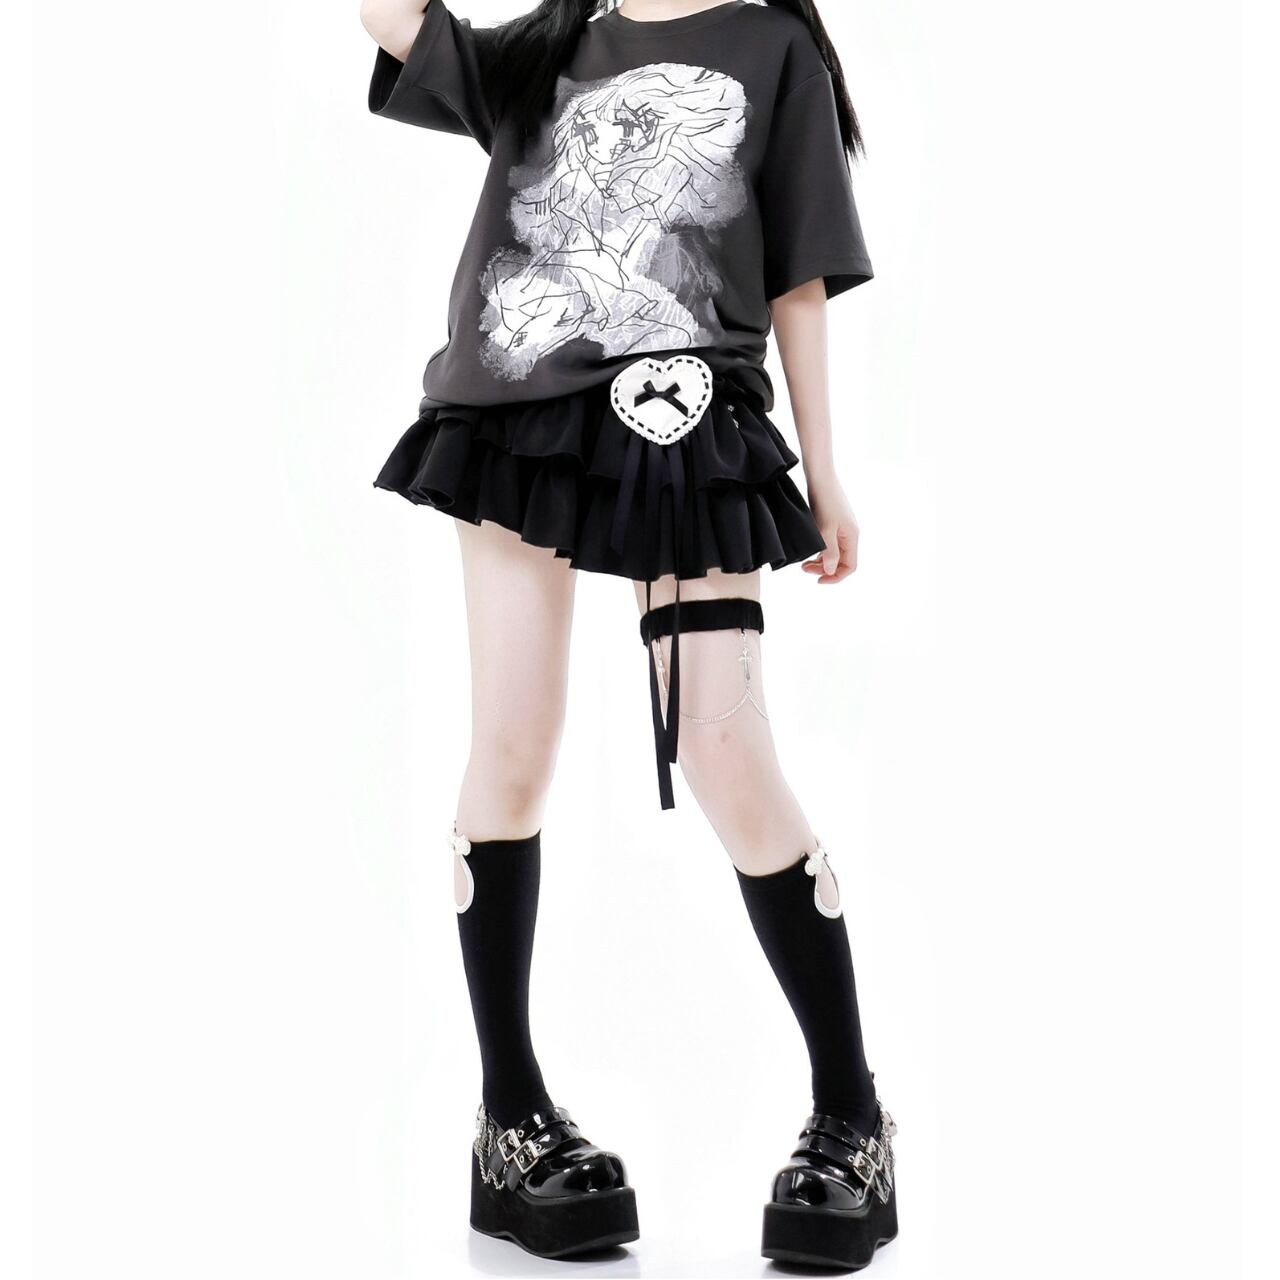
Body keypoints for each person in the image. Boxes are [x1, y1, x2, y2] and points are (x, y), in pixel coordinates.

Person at [359, 0, 896, 1267]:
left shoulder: (770, 48)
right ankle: (509, 1117)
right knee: (512, 747)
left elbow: (796, 273)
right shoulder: (542, 48)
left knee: (724, 746)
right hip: (509, 420)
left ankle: (850, 1112)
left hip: (689, 420)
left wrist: (824, 467)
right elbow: (389, 18)